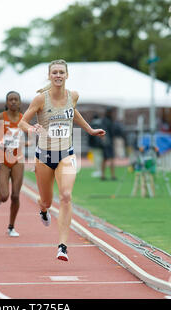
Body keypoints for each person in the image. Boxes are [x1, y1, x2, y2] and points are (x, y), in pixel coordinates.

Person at [18, 59, 106, 261]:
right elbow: (22, 121)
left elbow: (73, 113)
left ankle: (62, 246)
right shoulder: (40, 99)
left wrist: (90, 130)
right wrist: (31, 128)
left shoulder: (73, 96)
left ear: (67, 75)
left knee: (66, 195)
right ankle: (42, 209)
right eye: (54, 72)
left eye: (61, 72)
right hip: (44, 156)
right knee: (47, 200)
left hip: (66, 154)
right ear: (50, 76)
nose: (58, 75)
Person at [0, 91, 27, 237]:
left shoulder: (24, 119)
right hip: (3, 160)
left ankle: (11, 226)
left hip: (18, 159)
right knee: (5, 196)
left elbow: (29, 136)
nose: (13, 102)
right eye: (10, 100)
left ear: (19, 102)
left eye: (15, 100)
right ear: (6, 102)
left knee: (16, 196)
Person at [100, 108, 116, 181]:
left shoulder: (104, 120)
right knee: (110, 158)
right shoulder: (108, 121)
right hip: (108, 142)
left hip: (106, 142)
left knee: (105, 159)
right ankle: (112, 175)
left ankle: (103, 175)